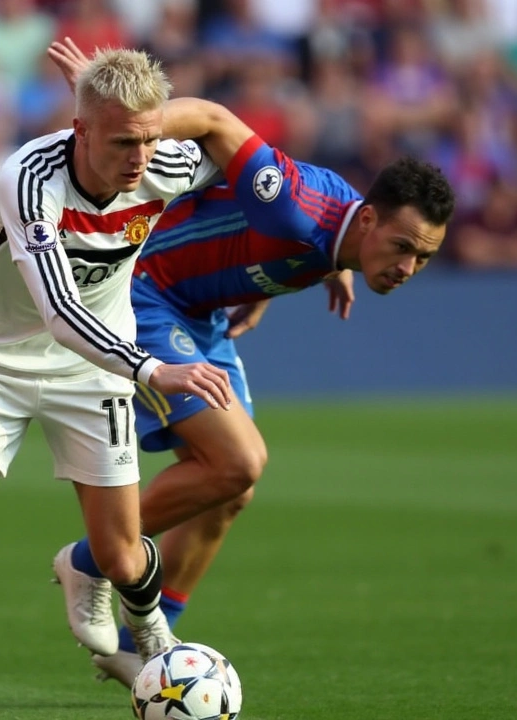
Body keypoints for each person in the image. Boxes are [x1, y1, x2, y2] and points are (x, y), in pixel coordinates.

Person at [45, 38, 456, 687]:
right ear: (371, 219)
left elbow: (321, 240)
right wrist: (129, 126)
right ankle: (92, 559)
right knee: (238, 460)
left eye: (422, 258)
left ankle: (138, 648)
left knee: (232, 492)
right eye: (401, 247)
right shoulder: (291, 205)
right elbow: (211, 120)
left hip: (202, 315)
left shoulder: (347, 237)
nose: (407, 267)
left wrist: (335, 270)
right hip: (148, 294)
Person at [0, 47, 252, 720]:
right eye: (124, 141)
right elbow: (61, 311)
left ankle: (157, 647)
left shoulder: (164, 162)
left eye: (149, 138)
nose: (140, 158)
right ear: (81, 130)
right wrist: (155, 370)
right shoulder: (28, 177)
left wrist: (322, 254)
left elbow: (256, 171)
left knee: (123, 558)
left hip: (91, 374)